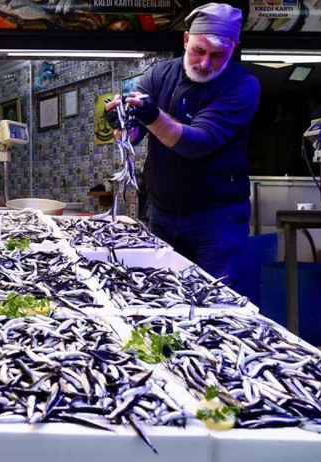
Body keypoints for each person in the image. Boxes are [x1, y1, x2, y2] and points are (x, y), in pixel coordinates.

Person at [105, 2, 260, 296]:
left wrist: (153, 116)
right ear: (186, 39)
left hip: (217, 220)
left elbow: (198, 143)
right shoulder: (158, 75)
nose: (205, 63)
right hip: (162, 213)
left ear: (234, 48)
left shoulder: (242, 86)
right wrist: (122, 123)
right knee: (163, 296)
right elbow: (133, 135)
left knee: (219, 301)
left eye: (218, 55)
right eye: (199, 51)